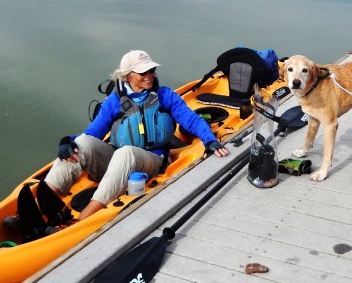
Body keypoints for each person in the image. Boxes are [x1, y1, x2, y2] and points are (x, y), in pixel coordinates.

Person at [44, 49, 229, 224]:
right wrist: (68, 141)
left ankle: (82, 220)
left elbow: (192, 120)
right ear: (127, 76)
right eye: (143, 72)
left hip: (152, 161)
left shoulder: (165, 95)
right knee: (80, 143)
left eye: (151, 70)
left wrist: (210, 140)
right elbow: (93, 134)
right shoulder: (114, 100)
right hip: (117, 161)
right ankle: (42, 207)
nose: (149, 75)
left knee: (126, 152)